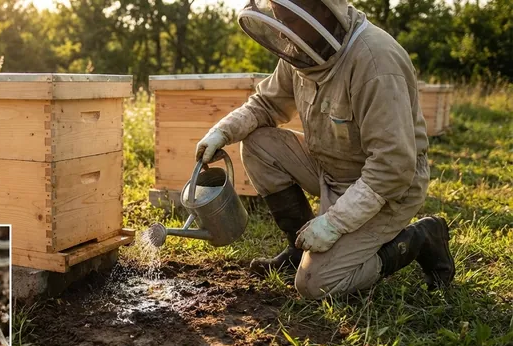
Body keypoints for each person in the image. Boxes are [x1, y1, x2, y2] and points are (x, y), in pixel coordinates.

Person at [194, 0, 455, 299]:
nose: (282, 34)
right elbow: (267, 104)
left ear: (319, 11)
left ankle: (421, 237)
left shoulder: (376, 62)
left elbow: (392, 167)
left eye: (289, 21)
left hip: (389, 189)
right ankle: (297, 246)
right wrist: (222, 131)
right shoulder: (302, 46)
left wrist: (334, 223)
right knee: (257, 143)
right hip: (329, 167)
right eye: (279, 20)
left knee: (316, 285)